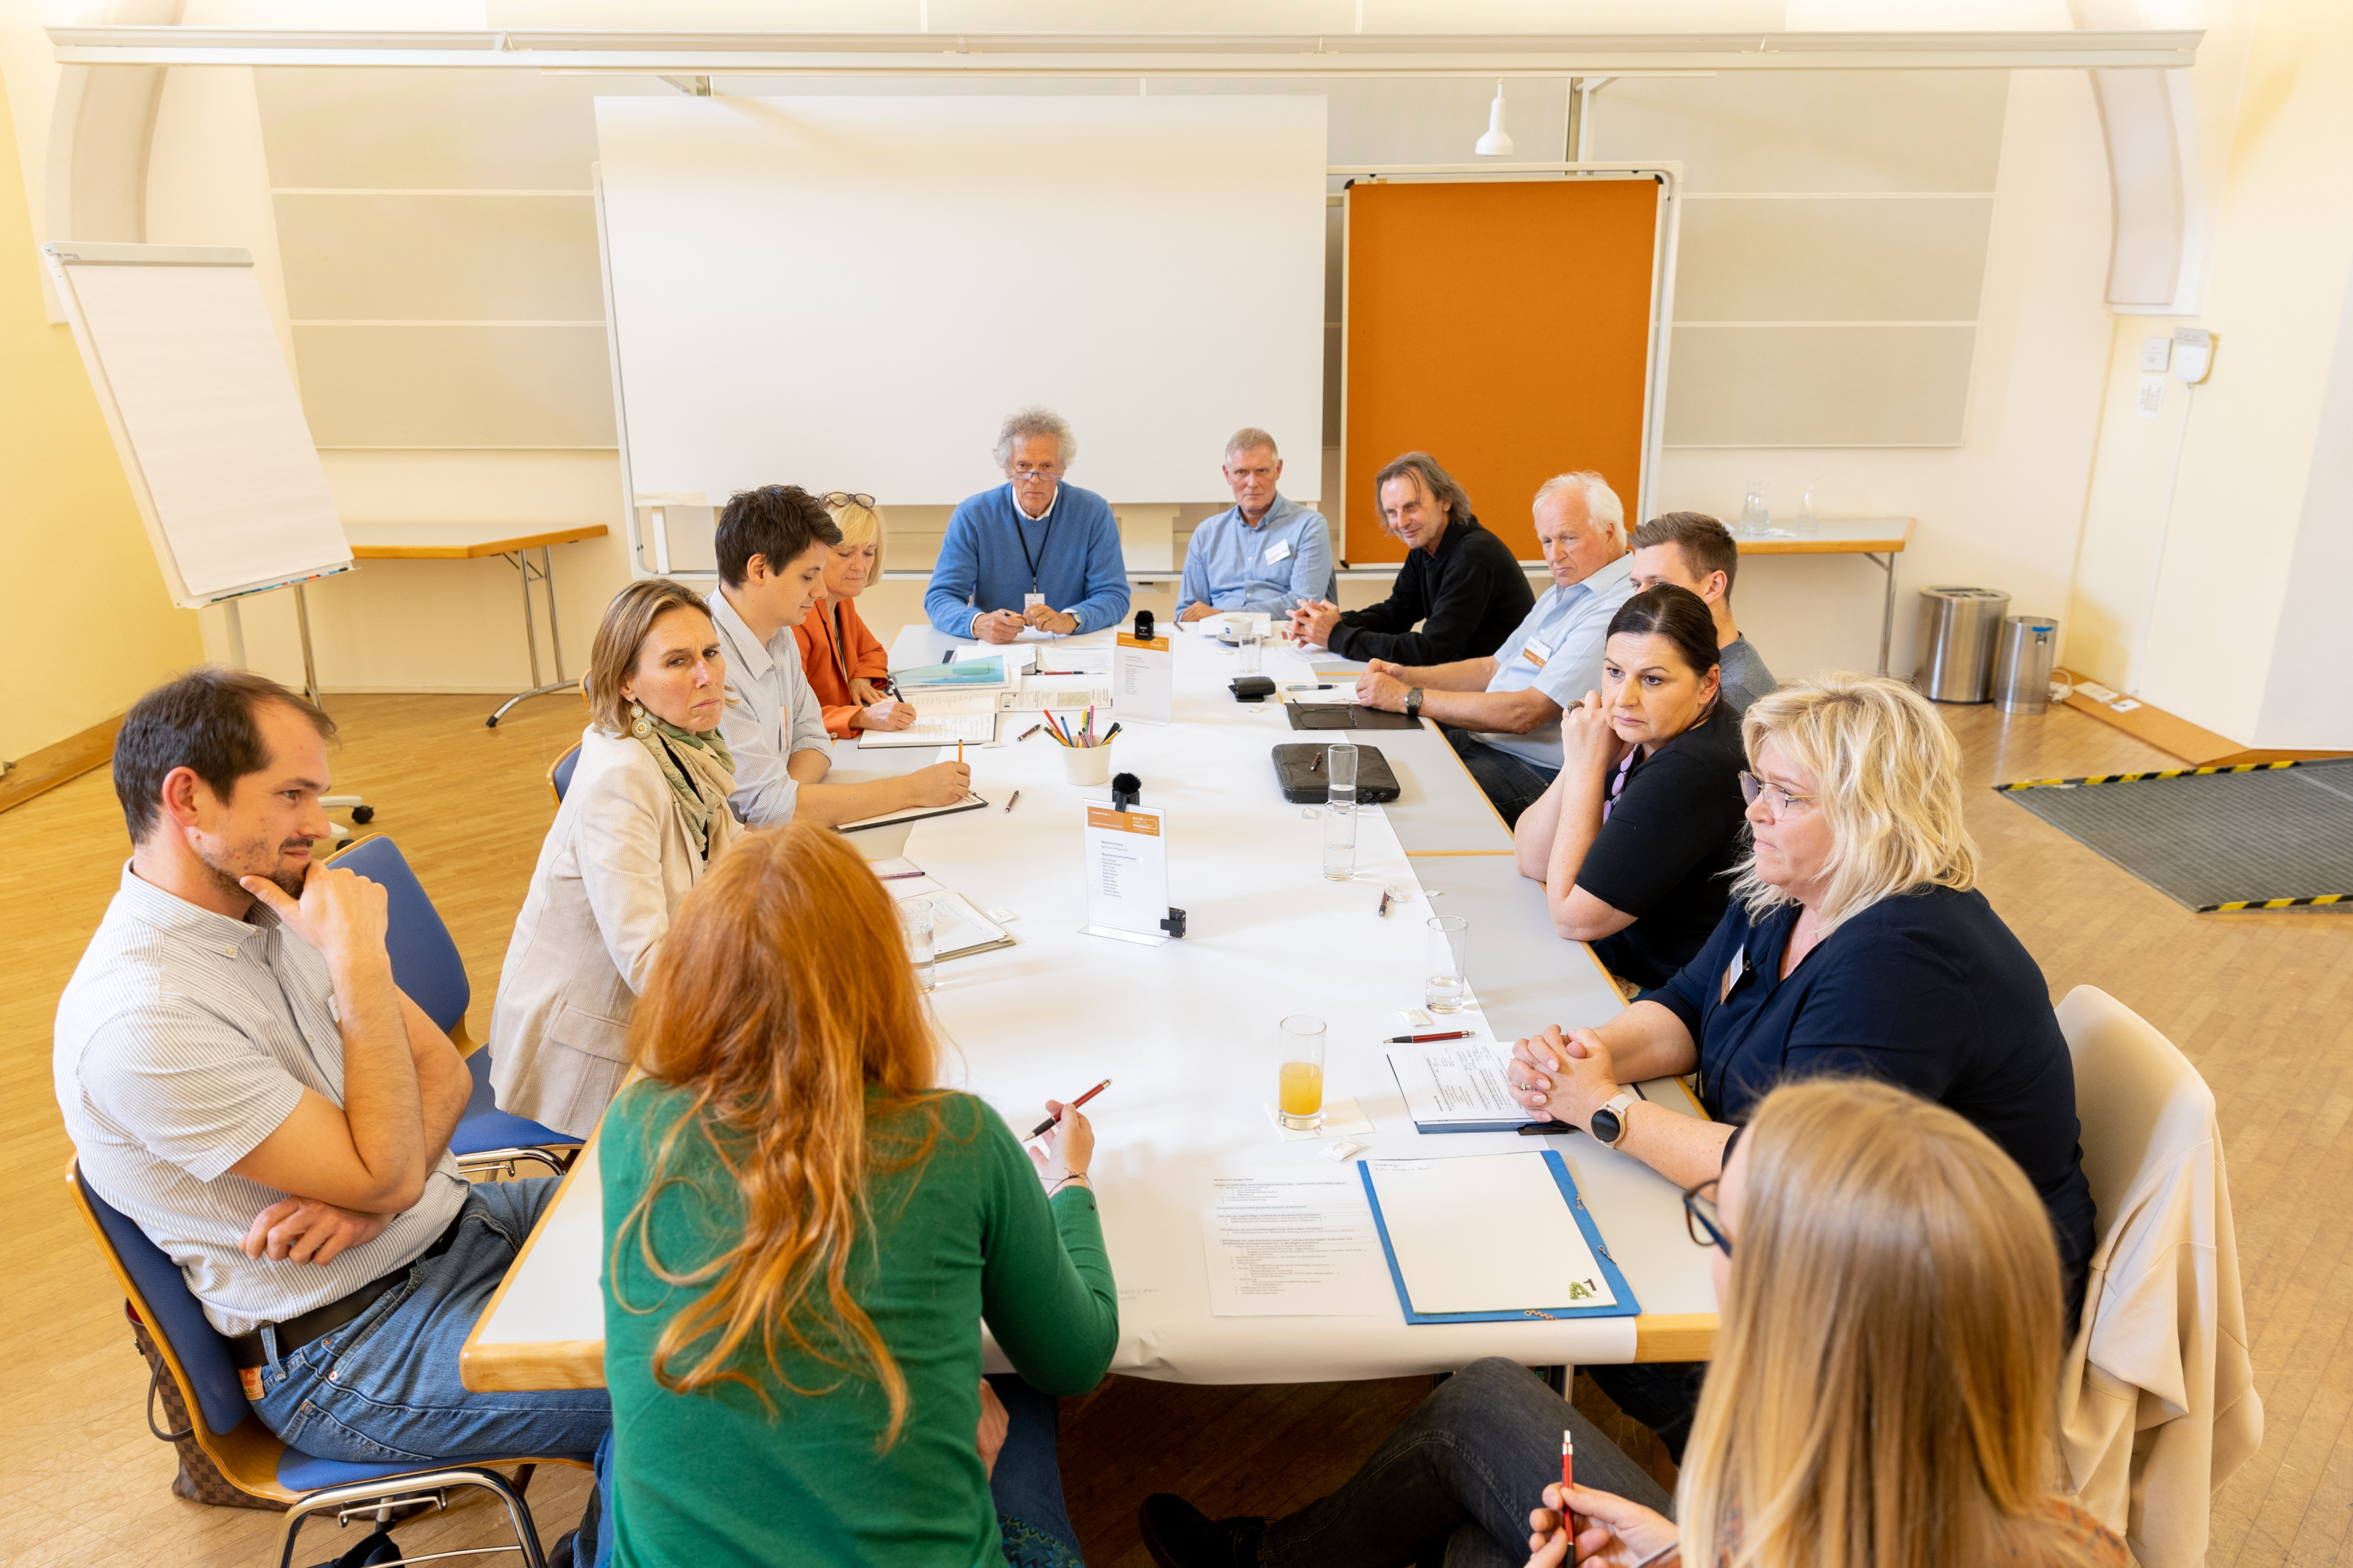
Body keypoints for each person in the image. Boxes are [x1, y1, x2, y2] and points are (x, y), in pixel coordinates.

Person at [1137, 1078, 2127, 1568]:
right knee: (1483, 1421)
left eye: (1720, 1232)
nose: (1706, 1256)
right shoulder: (2074, 1535)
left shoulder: (1770, 1484)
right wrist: (1669, 1546)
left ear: (1802, 1316)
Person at [1504, 673, 2098, 1457]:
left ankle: (1754, 1497)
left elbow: (1794, 1174)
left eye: (1785, 795)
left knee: (1559, 1321)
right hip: (1824, 1238)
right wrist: (1595, 1054)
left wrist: (1606, 1111)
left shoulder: (1902, 958)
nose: (1751, 810)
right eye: (1757, 784)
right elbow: (1686, 1004)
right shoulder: (1788, 889)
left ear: (1869, 816)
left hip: (1937, 1310)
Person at [54, 667, 610, 1475]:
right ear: (188, 801)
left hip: (459, 1231)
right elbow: (384, 1172)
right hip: (351, 1350)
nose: (318, 826)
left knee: (734, 1220)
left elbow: (446, 1083)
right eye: (291, 796)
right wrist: (355, 965)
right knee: (704, 1378)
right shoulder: (143, 1019)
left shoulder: (270, 906)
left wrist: (377, 1202)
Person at [595, 823, 1118, 1567]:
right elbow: (1078, 1357)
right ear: (881, 977)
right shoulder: (958, 1139)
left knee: (635, 1443)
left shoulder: (635, 1125)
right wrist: (1070, 1185)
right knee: (1022, 1382)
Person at [489, 579, 742, 1140]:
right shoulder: (622, 776)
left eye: (710, 653)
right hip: (586, 1048)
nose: (706, 675)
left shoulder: (685, 745)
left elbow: (737, 864)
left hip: (651, 1015)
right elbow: (649, 960)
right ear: (627, 682)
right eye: (678, 661)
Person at [1351, 472, 1635, 826]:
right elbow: (1492, 668)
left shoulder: (1617, 606)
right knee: (1378, 765)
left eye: (1568, 538)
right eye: (1546, 541)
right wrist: (1406, 675)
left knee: (1398, 804)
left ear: (1609, 533)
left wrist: (1408, 697)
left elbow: (1526, 713)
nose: (1555, 555)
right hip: (1488, 740)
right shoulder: (1568, 586)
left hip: (1535, 770)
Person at [1510, 586, 1747, 988]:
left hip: (1663, 994)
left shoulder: (1690, 769)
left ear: (1708, 684)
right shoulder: (1648, 732)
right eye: (1615, 672)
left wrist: (1586, 766)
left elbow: (1572, 919)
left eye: (1652, 680)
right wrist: (1582, 759)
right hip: (1611, 960)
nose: (1624, 698)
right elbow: (1531, 858)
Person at [707, 484, 969, 828]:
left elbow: (813, 738)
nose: (819, 591)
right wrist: (912, 790)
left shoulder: (778, 631)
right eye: (807, 576)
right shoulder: (708, 664)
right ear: (758, 570)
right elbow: (769, 809)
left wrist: (791, 798)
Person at [1285, 452, 1533, 665]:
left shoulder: (1473, 555)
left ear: (1445, 500)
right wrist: (1331, 622)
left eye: (1411, 507)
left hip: (1495, 693)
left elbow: (1429, 651)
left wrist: (1336, 635)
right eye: (1391, 512)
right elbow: (1397, 613)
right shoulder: (1426, 546)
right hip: (1465, 680)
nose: (1401, 522)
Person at [926, 407, 1131, 644]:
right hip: (996, 649)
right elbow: (940, 597)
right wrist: (978, 624)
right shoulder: (973, 514)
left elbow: (1114, 596)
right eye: (1023, 466)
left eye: (1046, 466)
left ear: (1062, 469)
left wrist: (1070, 619)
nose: (1035, 479)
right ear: (1007, 469)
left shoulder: (1093, 511)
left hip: (1070, 645)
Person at [793, 491, 917, 738]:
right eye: (845, 553)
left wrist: (860, 680)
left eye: (868, 553)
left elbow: (871, 652)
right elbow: (792, 716)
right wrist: (861, 717)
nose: (860, 566)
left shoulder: (841, 601)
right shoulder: (797, 617)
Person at [1176, 429, 1335, 620]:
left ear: (1278, 469)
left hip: (1285, 638)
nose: (1252, 483)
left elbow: (1305, 604)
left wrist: (1223, 616)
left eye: (1261, 471)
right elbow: (1188, 612)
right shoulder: (1206, 534)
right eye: (1241, 472)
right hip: (1217, 641)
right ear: (1227, 474)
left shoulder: (1308, 526)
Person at [1627, 512, 1777, 714]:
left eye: (1659, 584)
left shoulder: (1733, 694)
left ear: (1713, 586)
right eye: (1637, 584)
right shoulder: (1676, 662)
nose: (1638, 597)